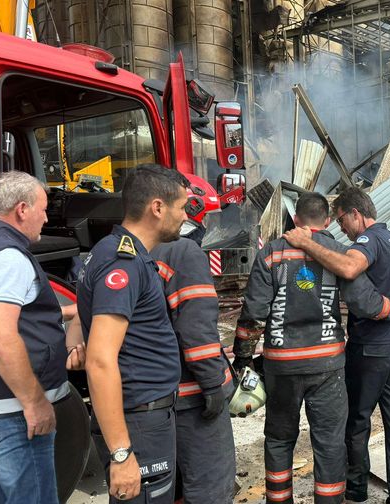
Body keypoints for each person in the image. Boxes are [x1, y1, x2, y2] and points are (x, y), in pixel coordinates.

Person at [240, 192, 390, 504]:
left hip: (281, 363)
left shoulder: (272, 253)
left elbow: (253, 313)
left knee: (278, 439)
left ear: (297, 220)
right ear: (328, 220)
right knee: (330, 441)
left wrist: (243, 358)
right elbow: (367, 303)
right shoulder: (340, 252)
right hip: (328, 365)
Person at [0, 171, 83, 504]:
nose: (46, 217)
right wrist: (34, 402)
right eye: (43, 209)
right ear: (22, 210)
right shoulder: (6, 257)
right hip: (12, 412)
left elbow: (3, 315)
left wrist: (67, 312)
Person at [77, 164, 188, 503]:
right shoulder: (123, 263)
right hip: (139, 420)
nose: (185, 216)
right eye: (182, 207)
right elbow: (99, 360)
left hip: (140, 416)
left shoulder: (111, 251)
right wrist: (123, 455)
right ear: (157, 207)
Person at [151, 174, 236, 503]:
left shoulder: (120, 252)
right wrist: (213, 384)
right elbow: (195, 330)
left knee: (171, 484)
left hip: (154, 400)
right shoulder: (184, 253)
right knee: (209, 484)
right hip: (191, 396)